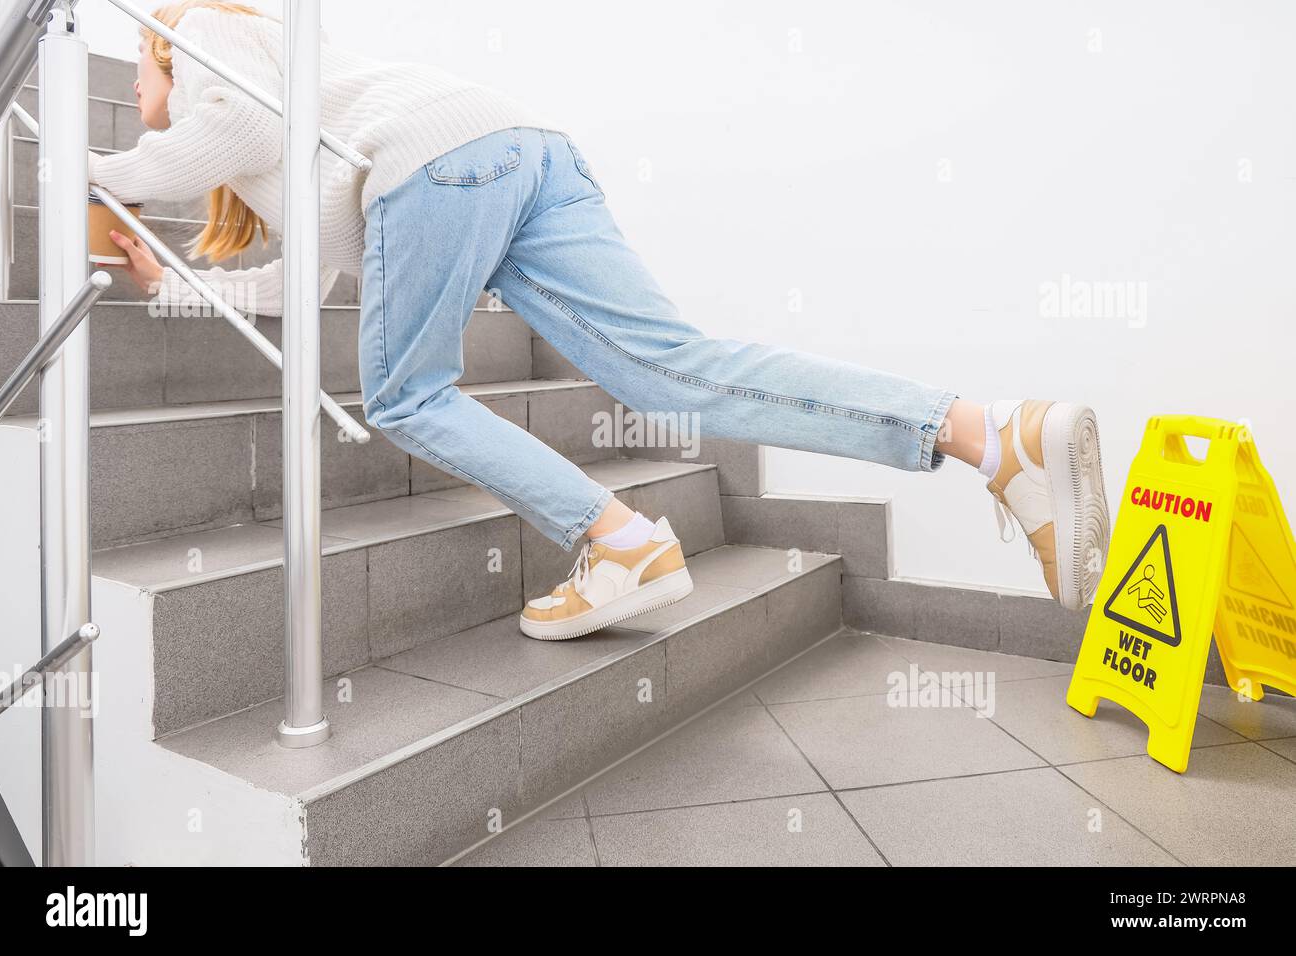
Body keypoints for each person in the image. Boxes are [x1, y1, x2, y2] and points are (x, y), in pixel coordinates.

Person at [92, 0, 1111, 642]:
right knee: (667, 371)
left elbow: (224, 122)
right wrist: (166, 279)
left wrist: (95, 172)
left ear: (158, 61)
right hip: (515, 152)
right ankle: (985, 431)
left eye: (138, 76)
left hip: (438, 164)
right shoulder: (276, 156)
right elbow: (291, 286)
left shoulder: (204, 35)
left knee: (404, 392)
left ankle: (618, 539)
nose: (139, 87)